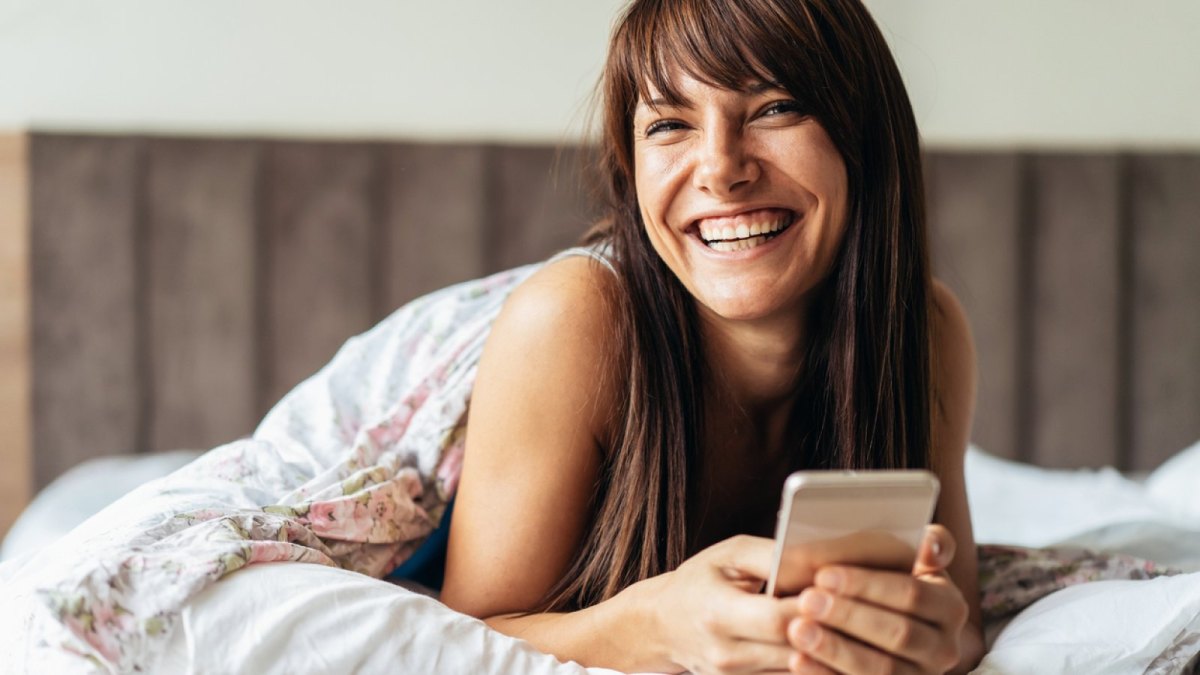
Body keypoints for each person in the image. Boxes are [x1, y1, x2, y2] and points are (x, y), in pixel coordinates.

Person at [437, 0, 985, 672]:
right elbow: (457, 641)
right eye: (670, 124)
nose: (721, 169)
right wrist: (657, 626)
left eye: (775, 107)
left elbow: (959, 624)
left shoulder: (925, 333)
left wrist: (920, 637)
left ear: (863, 135)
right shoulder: (572, 319)